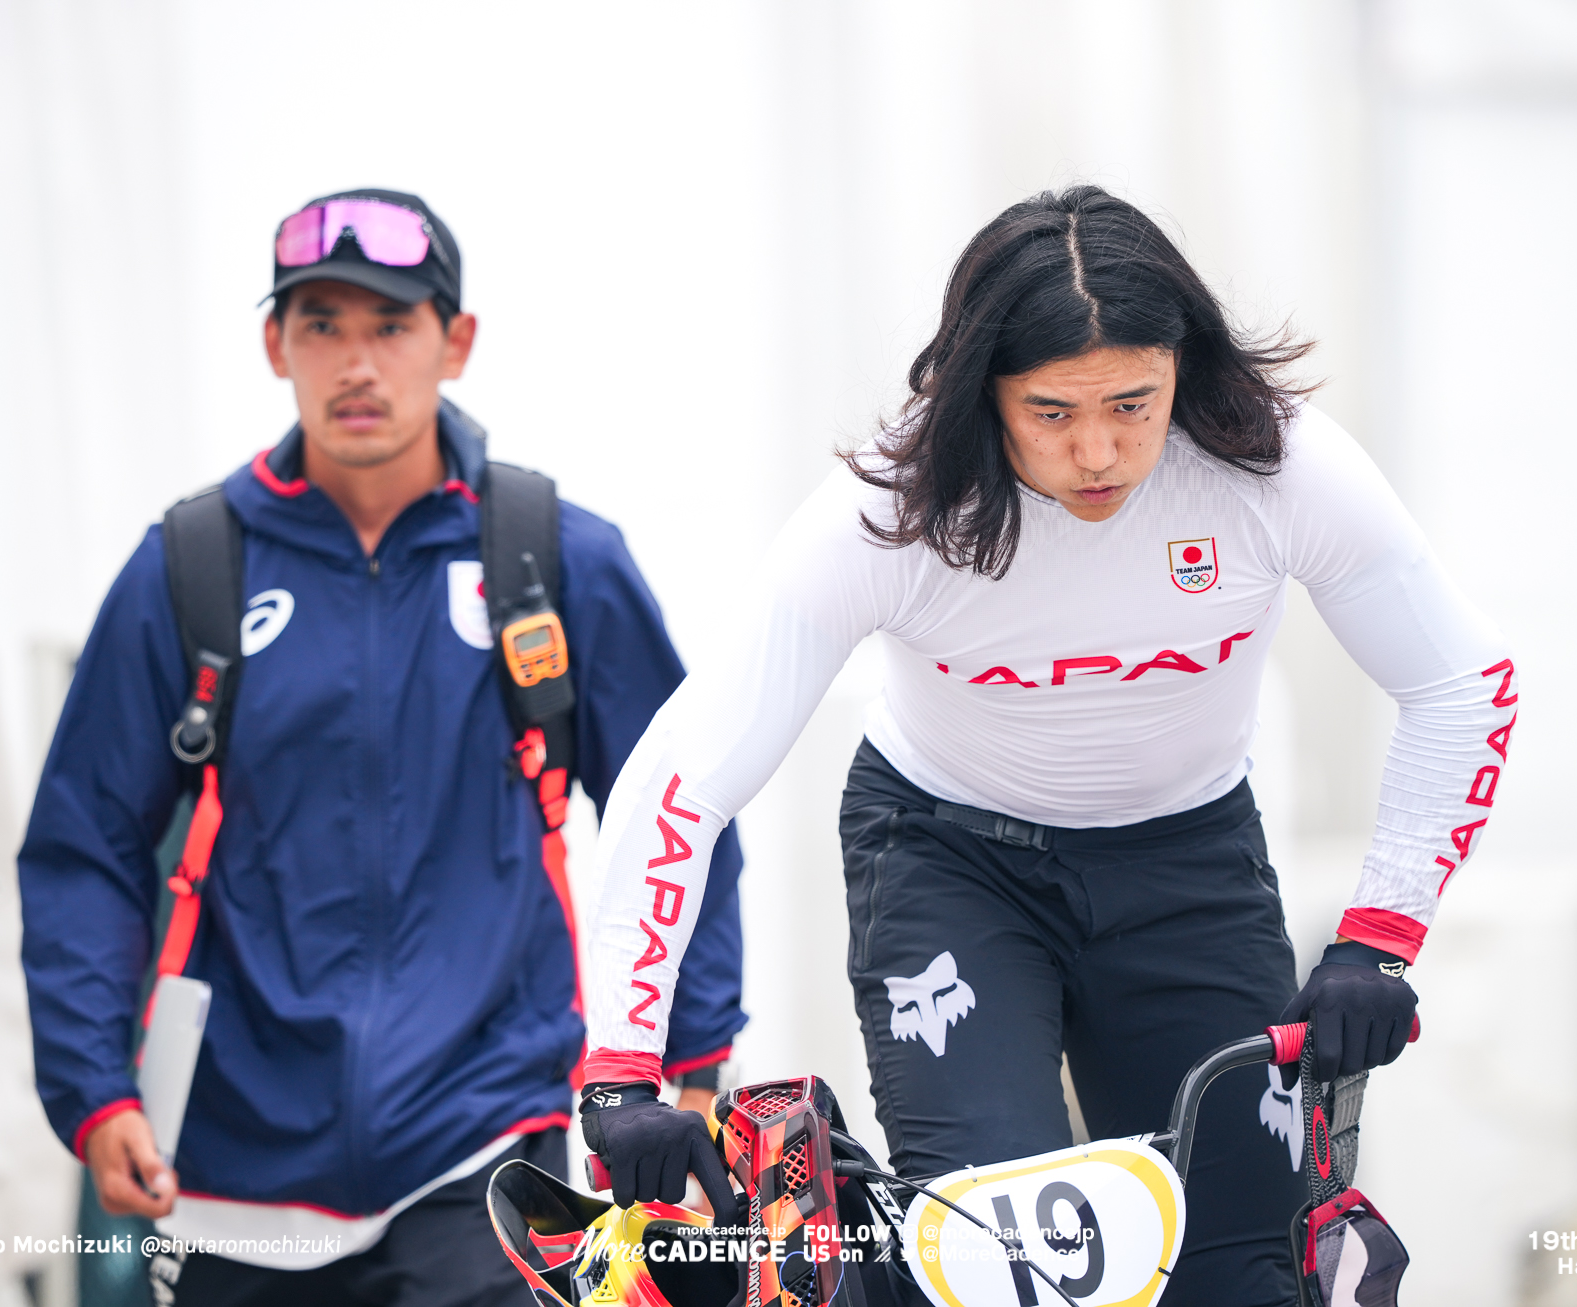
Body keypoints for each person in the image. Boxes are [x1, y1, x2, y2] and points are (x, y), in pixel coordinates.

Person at [575, 187, 1517, 1304]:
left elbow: (1462, 684)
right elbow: (692, 767)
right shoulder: (890, 508)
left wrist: (1377, 938)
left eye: (1133, 401)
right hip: (948, 861)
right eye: (1052, 412)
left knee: (1236, 1271)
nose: (1100, 449)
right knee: (1000, 1264)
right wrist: (620, 1068)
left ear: (1184, 368)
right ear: (984, 395)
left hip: (1186, 865)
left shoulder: (1279, 468)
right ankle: (846, 1249)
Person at [18, 189, 747, 1307]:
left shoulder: (554, 560)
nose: (357, 362)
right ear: (276, 345)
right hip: (232, 1168)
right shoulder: (187, 566)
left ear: (455, 341)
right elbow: (83, 846)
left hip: (484, 1137)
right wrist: (92, 1089)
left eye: (392, 324)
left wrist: (688, 1056)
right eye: (322, 325)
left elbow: (681, 808)